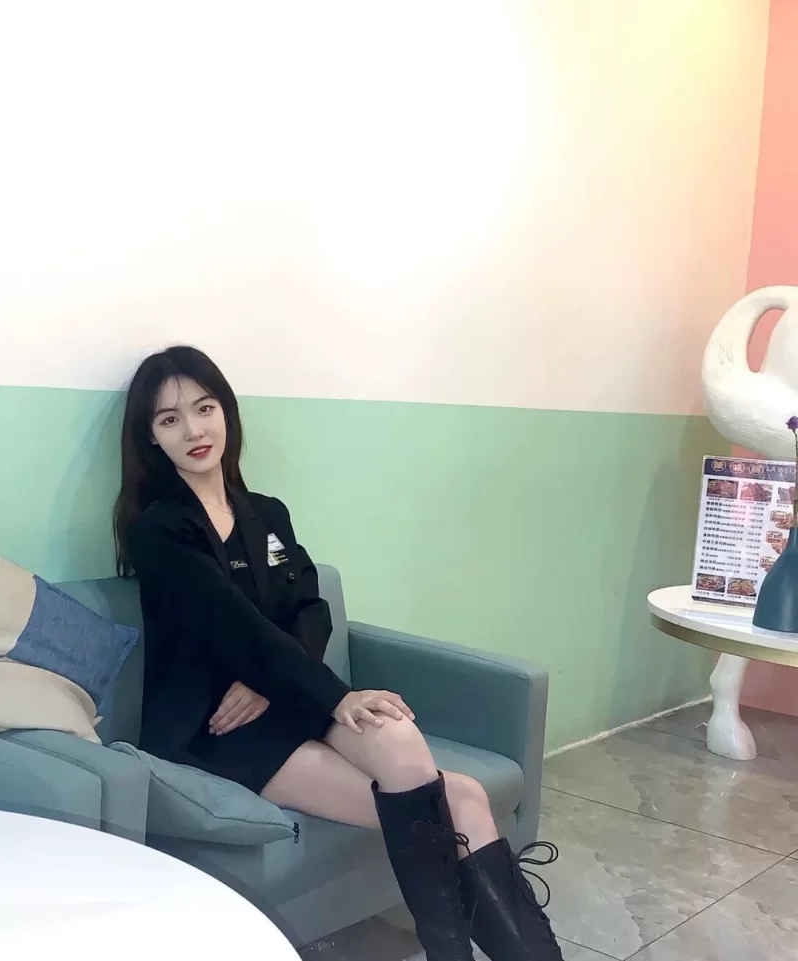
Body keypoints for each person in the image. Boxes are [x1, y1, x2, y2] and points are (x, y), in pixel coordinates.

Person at [114, 345, 562, 961]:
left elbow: (311, 609)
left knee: (406, 743)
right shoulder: (159, 530)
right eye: (170, 419)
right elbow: (235, 627)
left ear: (227, 412)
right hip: (217, 728)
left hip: (283, 696)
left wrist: (280, 685)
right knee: (456, 803)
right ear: (152, 438)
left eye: (204, 408)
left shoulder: (266, 514)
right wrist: (335, 697)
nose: (193, 430)